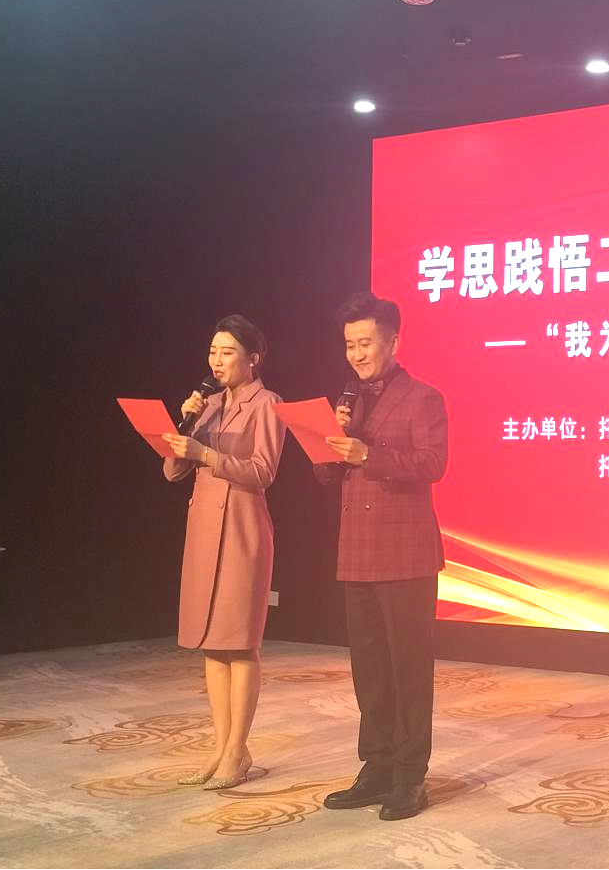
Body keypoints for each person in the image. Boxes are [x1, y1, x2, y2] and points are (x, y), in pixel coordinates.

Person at [315, 292, 448, 821]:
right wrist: (332, 439)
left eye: (365, 343)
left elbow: (433, 463)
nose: (357, 354)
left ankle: (410, 776)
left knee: (408, 668)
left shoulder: (423, 397)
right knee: (368, 669)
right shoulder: (348, 401)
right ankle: (376, 766)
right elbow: (325, 474)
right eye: (349, 344)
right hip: (357, 550)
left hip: (406, 553)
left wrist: (369, 453)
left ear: (394, 341)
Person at [161, 314, 285, 790]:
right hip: (203, 531)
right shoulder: (208, 406)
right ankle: (220, 746)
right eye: (213, 351)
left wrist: (207, 455)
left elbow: (263, 471)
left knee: (240, 642)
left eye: (227, 352)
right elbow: (172, 472)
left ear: (253, 359)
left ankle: (238, 749)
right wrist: (185, 423)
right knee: (212, 644)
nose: (217, 360)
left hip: (242, 530)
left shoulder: (267, 404)